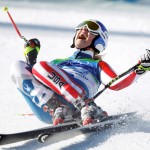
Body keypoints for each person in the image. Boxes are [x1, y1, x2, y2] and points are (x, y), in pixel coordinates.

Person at [10, 19, 150, 126]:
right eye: (80, 28)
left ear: (99, 40)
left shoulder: (96, 64)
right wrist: (31, 59)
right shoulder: (58, 62)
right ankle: (57, 107)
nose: (83, 29)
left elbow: (115, 83)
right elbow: (35, 79)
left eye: (90, 29)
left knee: (40, 66)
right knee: (18, 66)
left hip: (79, 109)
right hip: (48, 110)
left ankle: (85, 104)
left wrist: (141, 69)